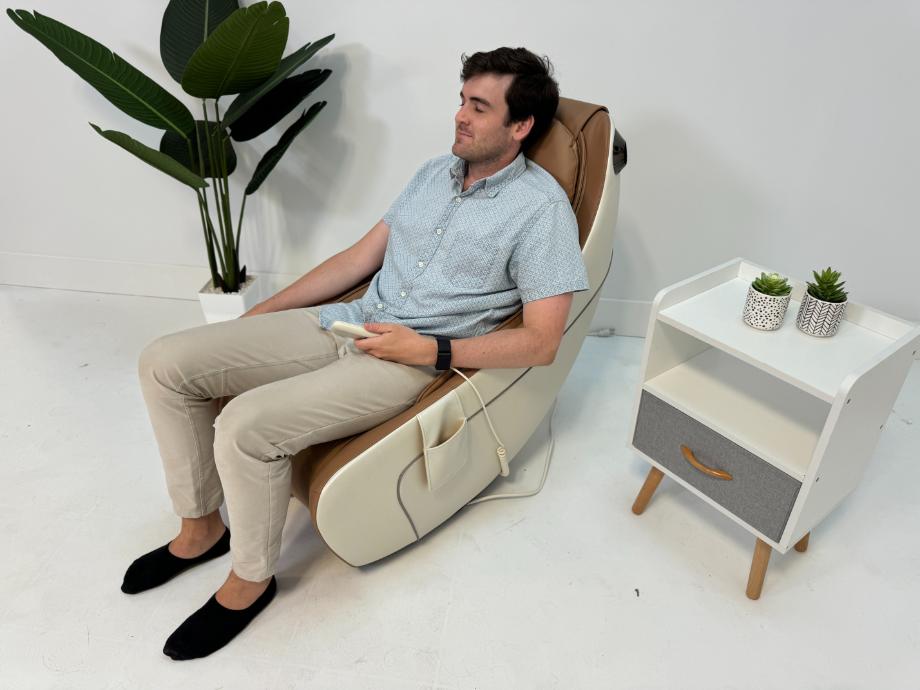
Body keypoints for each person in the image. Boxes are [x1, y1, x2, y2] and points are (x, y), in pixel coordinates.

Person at [124, 46, 590, 660]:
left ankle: (249, 580)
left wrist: (429, 346)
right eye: (461, 100)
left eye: (479, 107)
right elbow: (356, 260)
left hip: (407, 362)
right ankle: (199, 528)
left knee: (245, 425)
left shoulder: (541, 211)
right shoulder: (432, 174)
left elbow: (542, 340)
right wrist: (261, 318)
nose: (460, 116)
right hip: (350, 322)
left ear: (520, 126)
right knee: (164, 362)